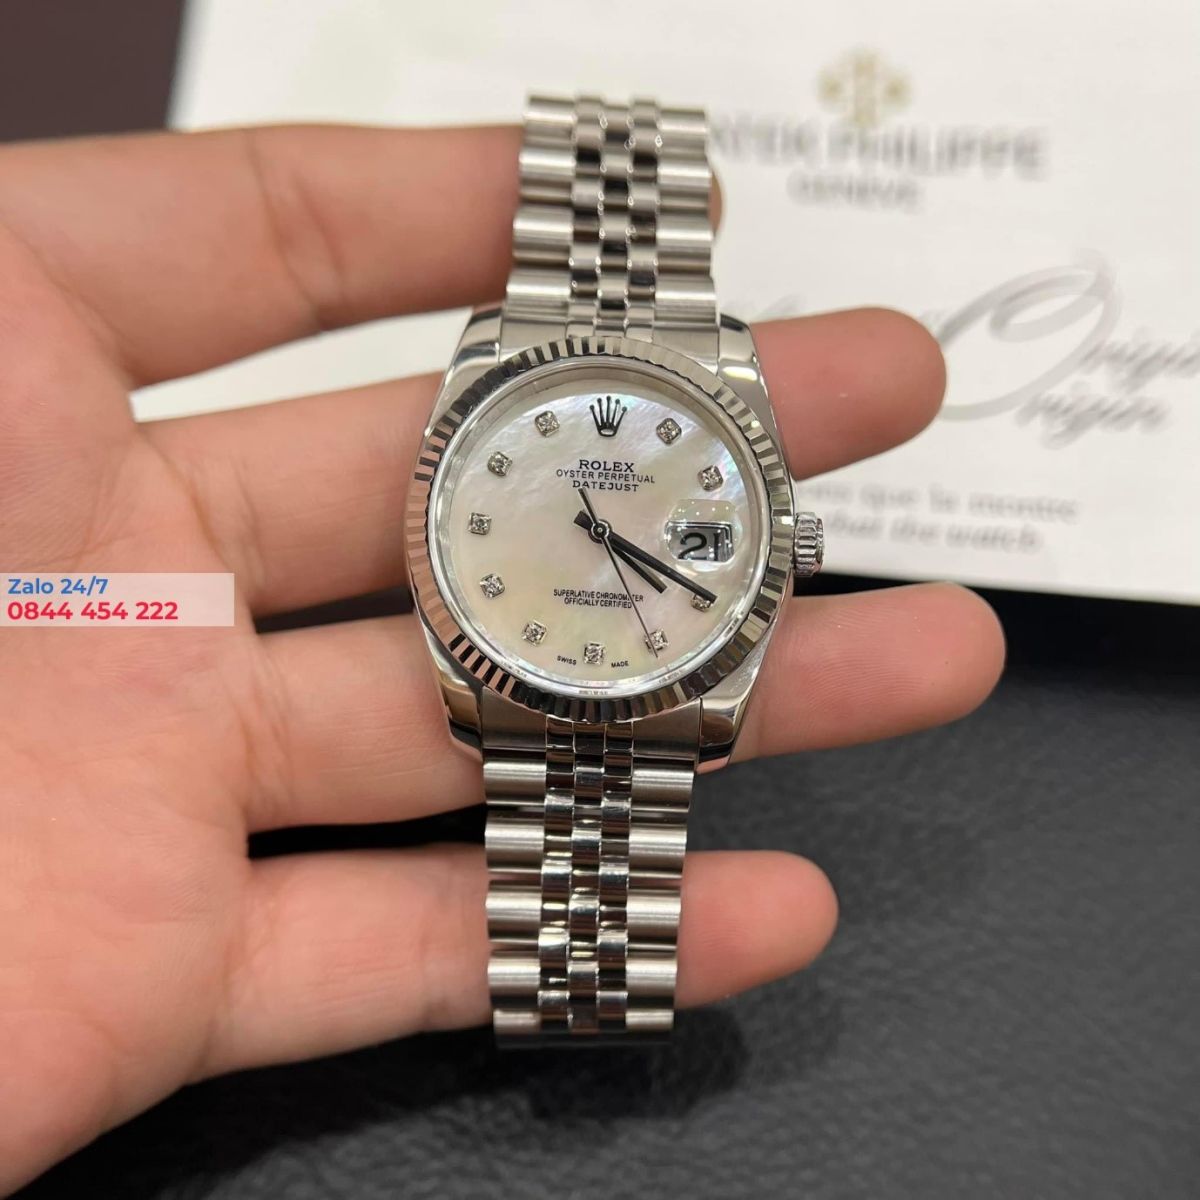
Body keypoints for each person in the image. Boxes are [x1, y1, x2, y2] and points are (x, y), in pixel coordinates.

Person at [0, 122, 1004, 1191]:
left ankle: (582, 991)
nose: (602, 534)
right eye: (594, 528)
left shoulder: (698, 413)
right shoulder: (512, 408)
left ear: (784, 544)